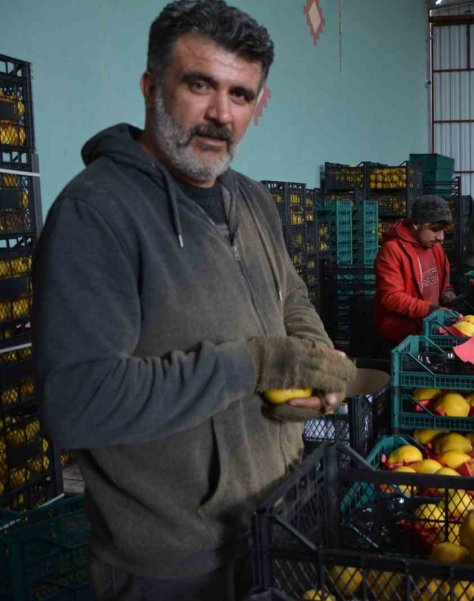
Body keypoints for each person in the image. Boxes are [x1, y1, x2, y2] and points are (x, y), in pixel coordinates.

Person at [32, 2, 357, 599]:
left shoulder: (253, 200)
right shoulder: (96, 213)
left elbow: (292, 296)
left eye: (240, 94)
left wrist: (310, 354)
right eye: (200, 85)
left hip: (275, 521)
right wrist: (254, 364)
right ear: (152, 87)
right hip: (172, 560)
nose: (219, 115)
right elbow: (77, 402)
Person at [374, 195, 456, 347]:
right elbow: (390, 297)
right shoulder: (392, 250)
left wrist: (447, 295)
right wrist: (429, 309)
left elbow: (441, 283)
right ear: (417, 224)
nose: (440, 237)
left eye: (443, 230)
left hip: (428, 330)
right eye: (435, 230)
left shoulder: (435, 247)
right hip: (403, 338)